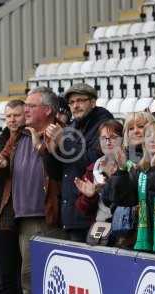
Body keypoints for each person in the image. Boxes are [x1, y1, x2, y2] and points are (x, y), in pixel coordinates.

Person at [0, 87, 64, 294]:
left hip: (46, 217)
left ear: (48, 110)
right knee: (25, 278)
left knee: (37, 278)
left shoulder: (60, 134)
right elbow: (2, 162)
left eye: (31, 106)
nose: (26, 109)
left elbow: (59, 170)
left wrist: (44, 147)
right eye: (25, 105)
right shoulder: (19, 135)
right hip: (20, 218)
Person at [45, 83, 113, 242]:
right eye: (72, 102)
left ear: (93, 102)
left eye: (80, 100)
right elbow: (57, 173)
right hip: (72, 214)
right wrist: (50, 152)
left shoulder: (104, 125)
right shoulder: (71, 127)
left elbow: (94, 162)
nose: (75, 106)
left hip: (94, 214)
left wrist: (63, 141)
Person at [102, 120, 155, 254]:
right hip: (142, 240)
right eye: (148, 136)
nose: (152, 139)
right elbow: (122, 199)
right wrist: (122, 171)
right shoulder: (140, 169)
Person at [0, 100, 25, 294]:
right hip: (2, 215)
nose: (12, 120)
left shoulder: (29, 139)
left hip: (26, 213)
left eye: (16, 115)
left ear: (25, 115)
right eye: (9, 116)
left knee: (24, 274)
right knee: (4, 276)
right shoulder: (0, 141)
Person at [74, 120, 124, 225]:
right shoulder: (93, 168)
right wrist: (89, 197)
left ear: (123, 139)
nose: (107, 142)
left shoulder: (132, 165)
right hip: (101, 226)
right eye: (103, 138)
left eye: (113, 137)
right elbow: (83, 210)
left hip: (126, 226)